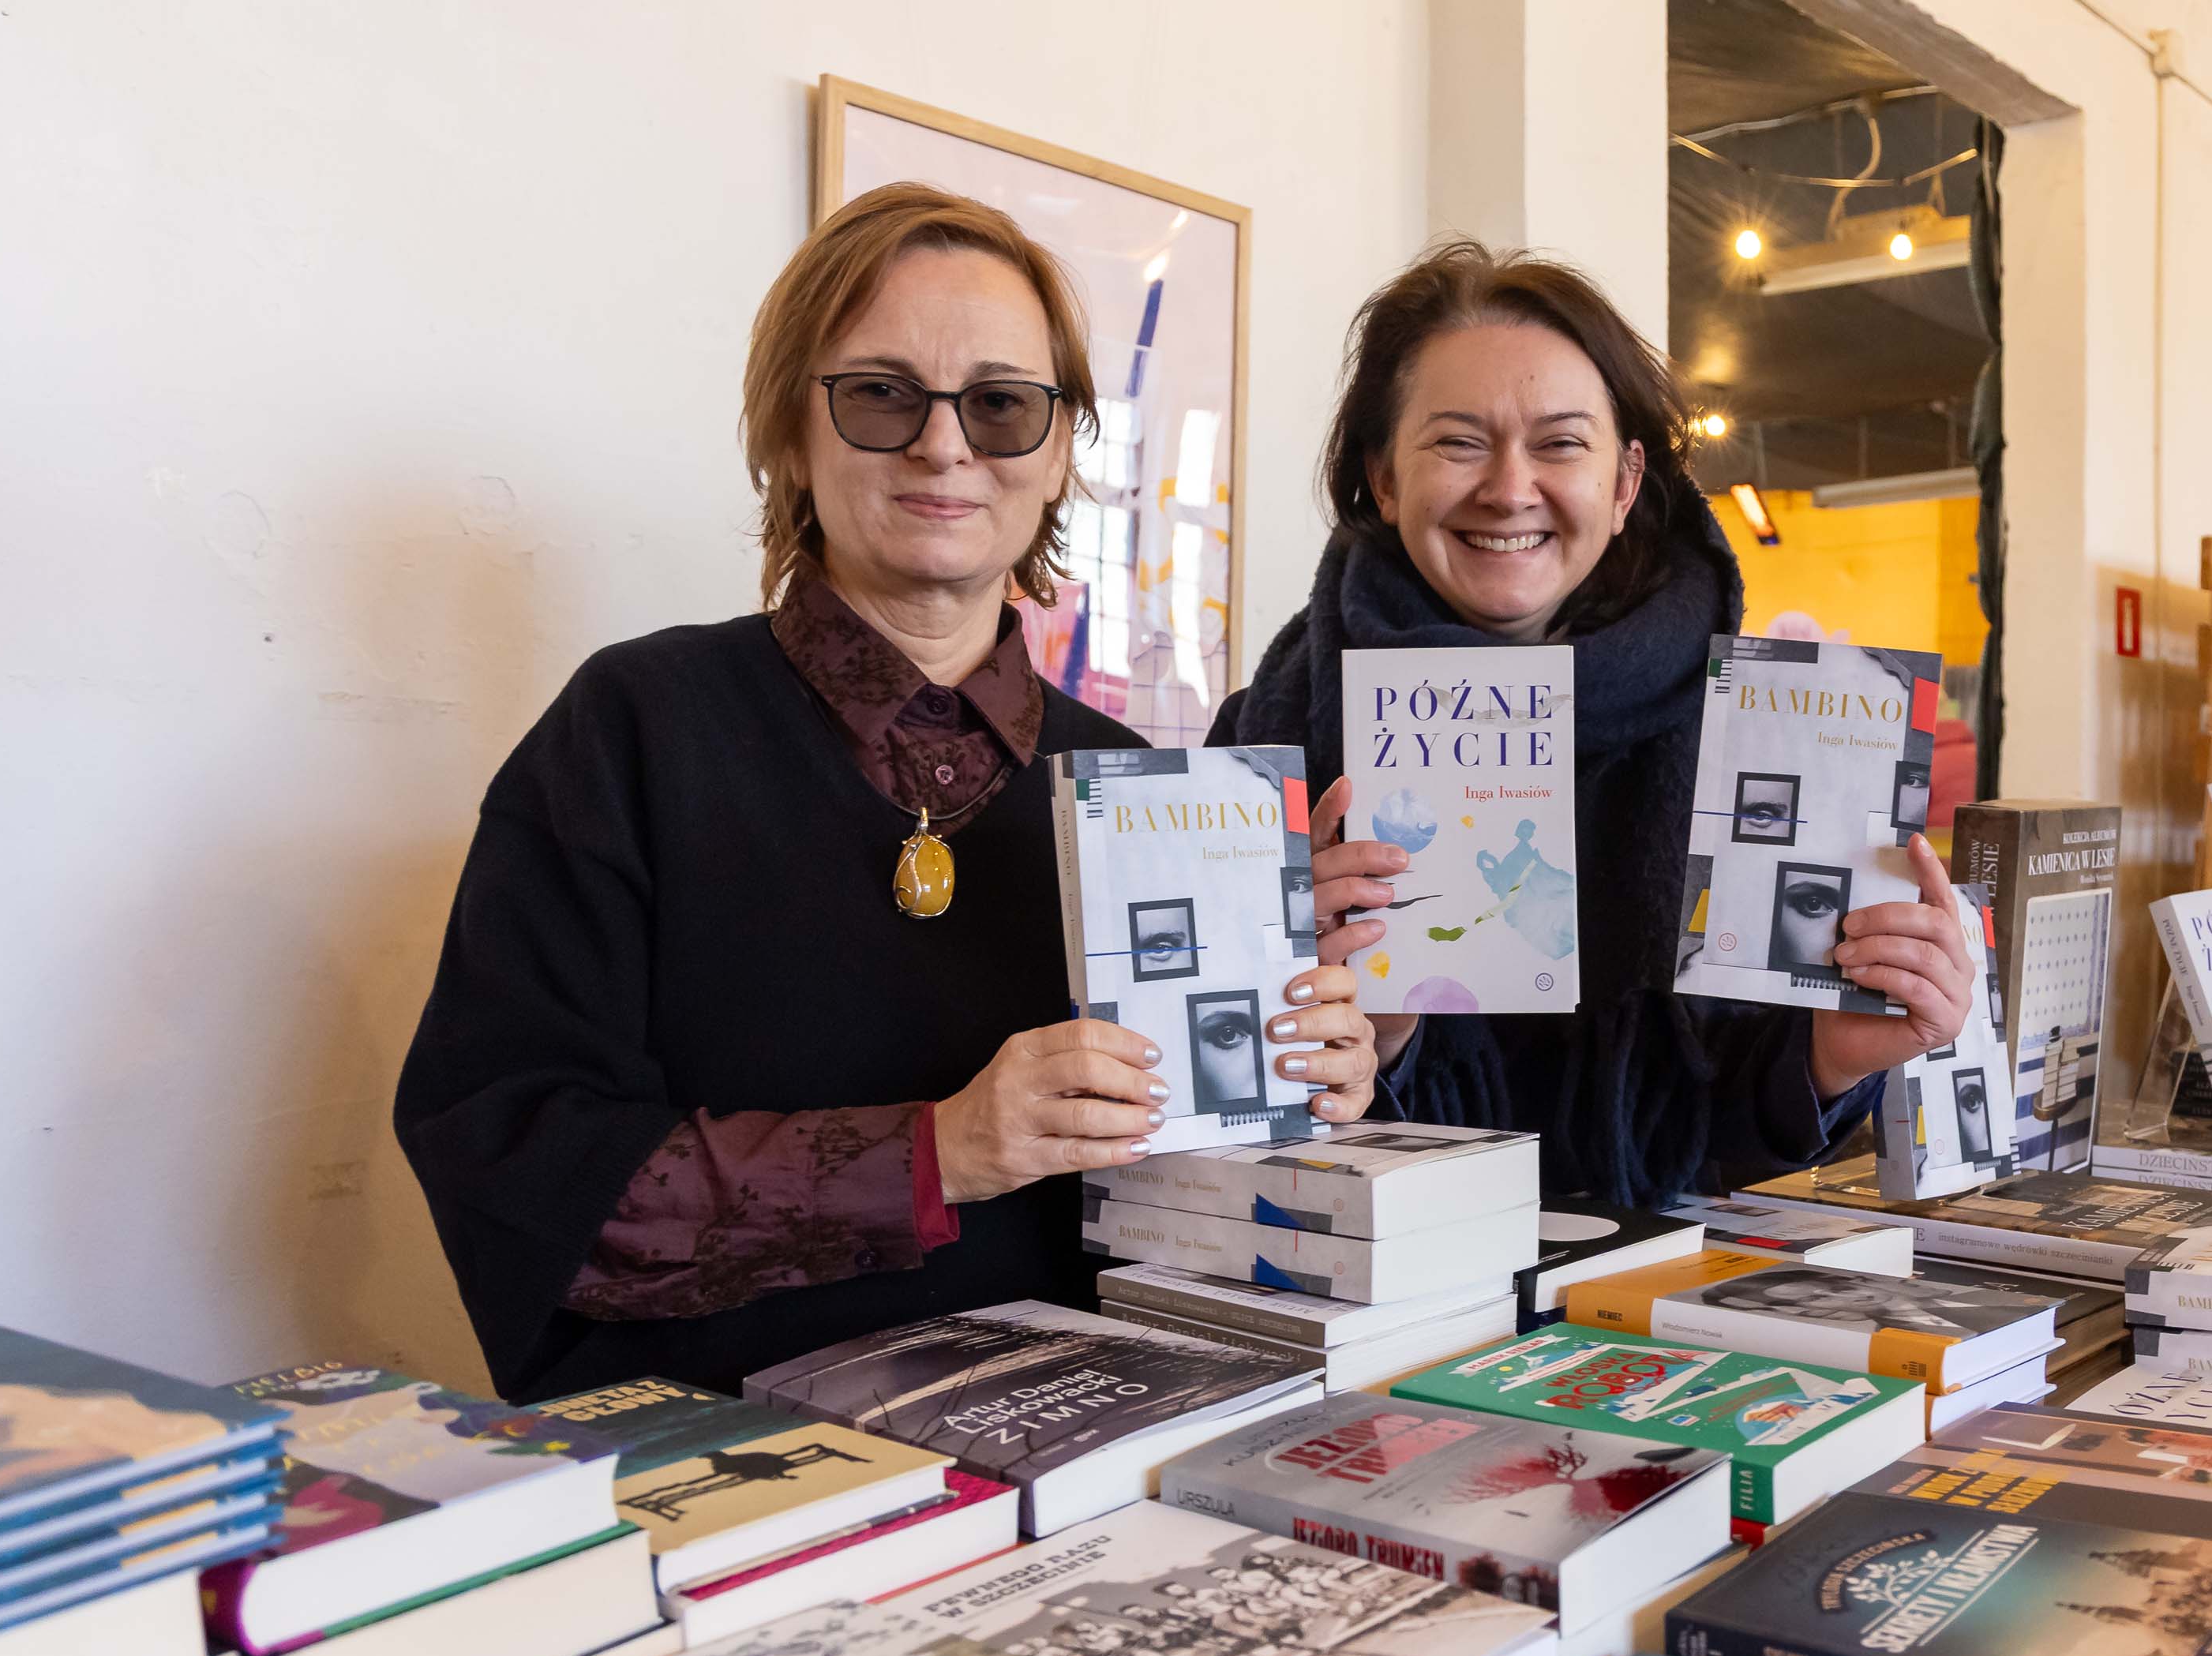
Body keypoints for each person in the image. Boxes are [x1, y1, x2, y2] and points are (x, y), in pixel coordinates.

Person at [393, 185, 1378, 1402]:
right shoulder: (634, 728)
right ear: (788, 432)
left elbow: (1188, 1222)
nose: (944, 445)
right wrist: (934, 1153)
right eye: (881, 394)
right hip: (732, 1460)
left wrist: (1303, 1078)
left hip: (1088, 1445)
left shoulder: (1140, 787)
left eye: (1002, 404)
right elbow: (512, 1165)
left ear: (1058, 453)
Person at [1213, 242, 1973, 1204]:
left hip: (1645, 1274)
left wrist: (1833, 1058)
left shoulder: (1750, 733)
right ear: (1385, 476)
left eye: (1561, 444)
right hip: (1363, 1260)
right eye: (1458, 442)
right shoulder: (1265, 746)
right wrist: (1363, 1029)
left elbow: (1727, 1131)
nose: (1509, 488)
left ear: (1624, 483)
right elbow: (1205, 1118)